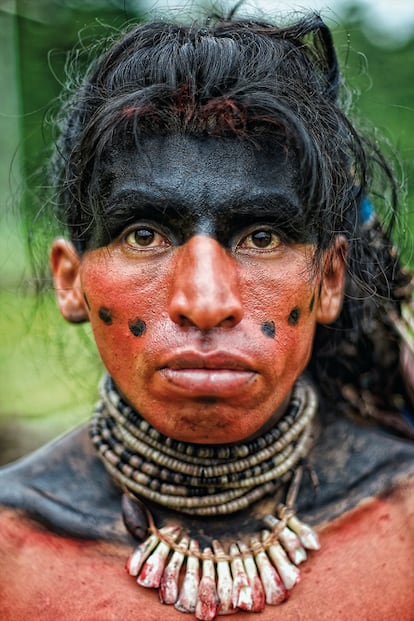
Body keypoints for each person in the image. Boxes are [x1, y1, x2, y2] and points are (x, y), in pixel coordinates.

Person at [1, 12, 414, 621]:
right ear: (71, 283)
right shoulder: (12, 549)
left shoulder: (402, 518)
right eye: (144, 234)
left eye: (263, 237)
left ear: (330, 280)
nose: (205, 302)